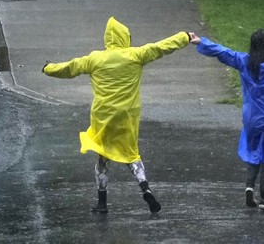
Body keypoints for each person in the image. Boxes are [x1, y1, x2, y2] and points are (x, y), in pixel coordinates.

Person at [42, 17, 193, 215]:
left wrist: (48, 68)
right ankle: (145, 188)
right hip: (127, 116)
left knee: (102, 157)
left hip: (102, 117)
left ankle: (102, 202)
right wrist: (185, 37)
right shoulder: (136, 55)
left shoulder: (95, 58)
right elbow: (161, 47)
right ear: (125, 37)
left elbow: (70, 68)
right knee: (131, 154)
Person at [190, 5, 264, 212]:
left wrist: (201, 41)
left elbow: (221, 52)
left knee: (254, 150)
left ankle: (249, 187)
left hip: (253, 118)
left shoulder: (244, 62)